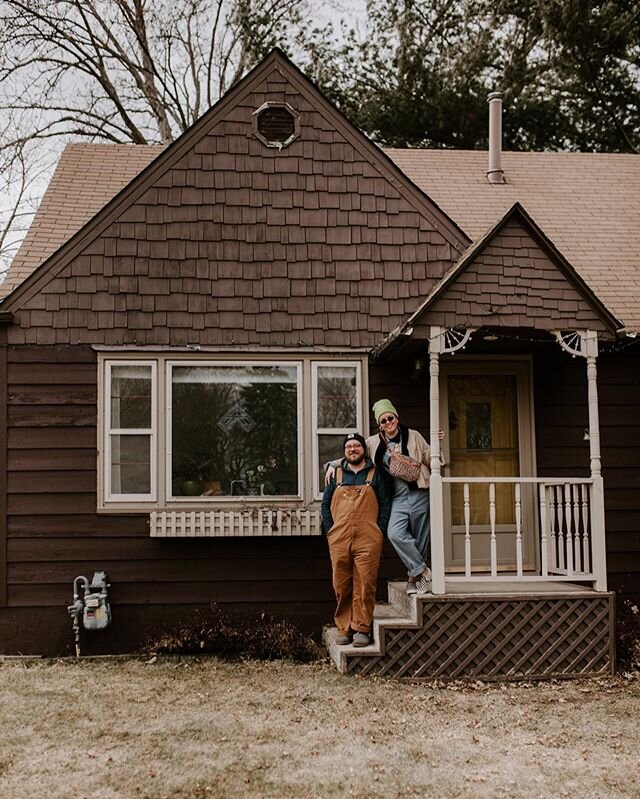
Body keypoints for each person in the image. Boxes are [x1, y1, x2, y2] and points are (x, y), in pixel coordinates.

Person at [325, 400, 435, 595]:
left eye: (390, 418)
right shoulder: (373, 442)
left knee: (421, 537)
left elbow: (430, 457)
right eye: (383, 421)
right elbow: (354, 453)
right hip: (397, 497)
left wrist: (439, 444)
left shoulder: (414, 436)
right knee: (395, 533)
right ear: (379, 424)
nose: (387, 423)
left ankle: (414, 579)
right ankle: (423, 571)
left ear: (397, 418)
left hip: (419, 491)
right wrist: (332, 465)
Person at [321, 433, 391, 647]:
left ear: (363, 449)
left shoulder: (375, 474)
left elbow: (386, 504)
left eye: (357, 446)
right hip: (339, 537)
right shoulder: (335, 475)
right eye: (349, 446)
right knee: (341, 583)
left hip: (368, 537)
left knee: (365, 583)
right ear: (344, 451)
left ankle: (362, 628)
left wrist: (379, 530)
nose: (352, 449)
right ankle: (344, 627)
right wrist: (330, 530)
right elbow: (325, 506)